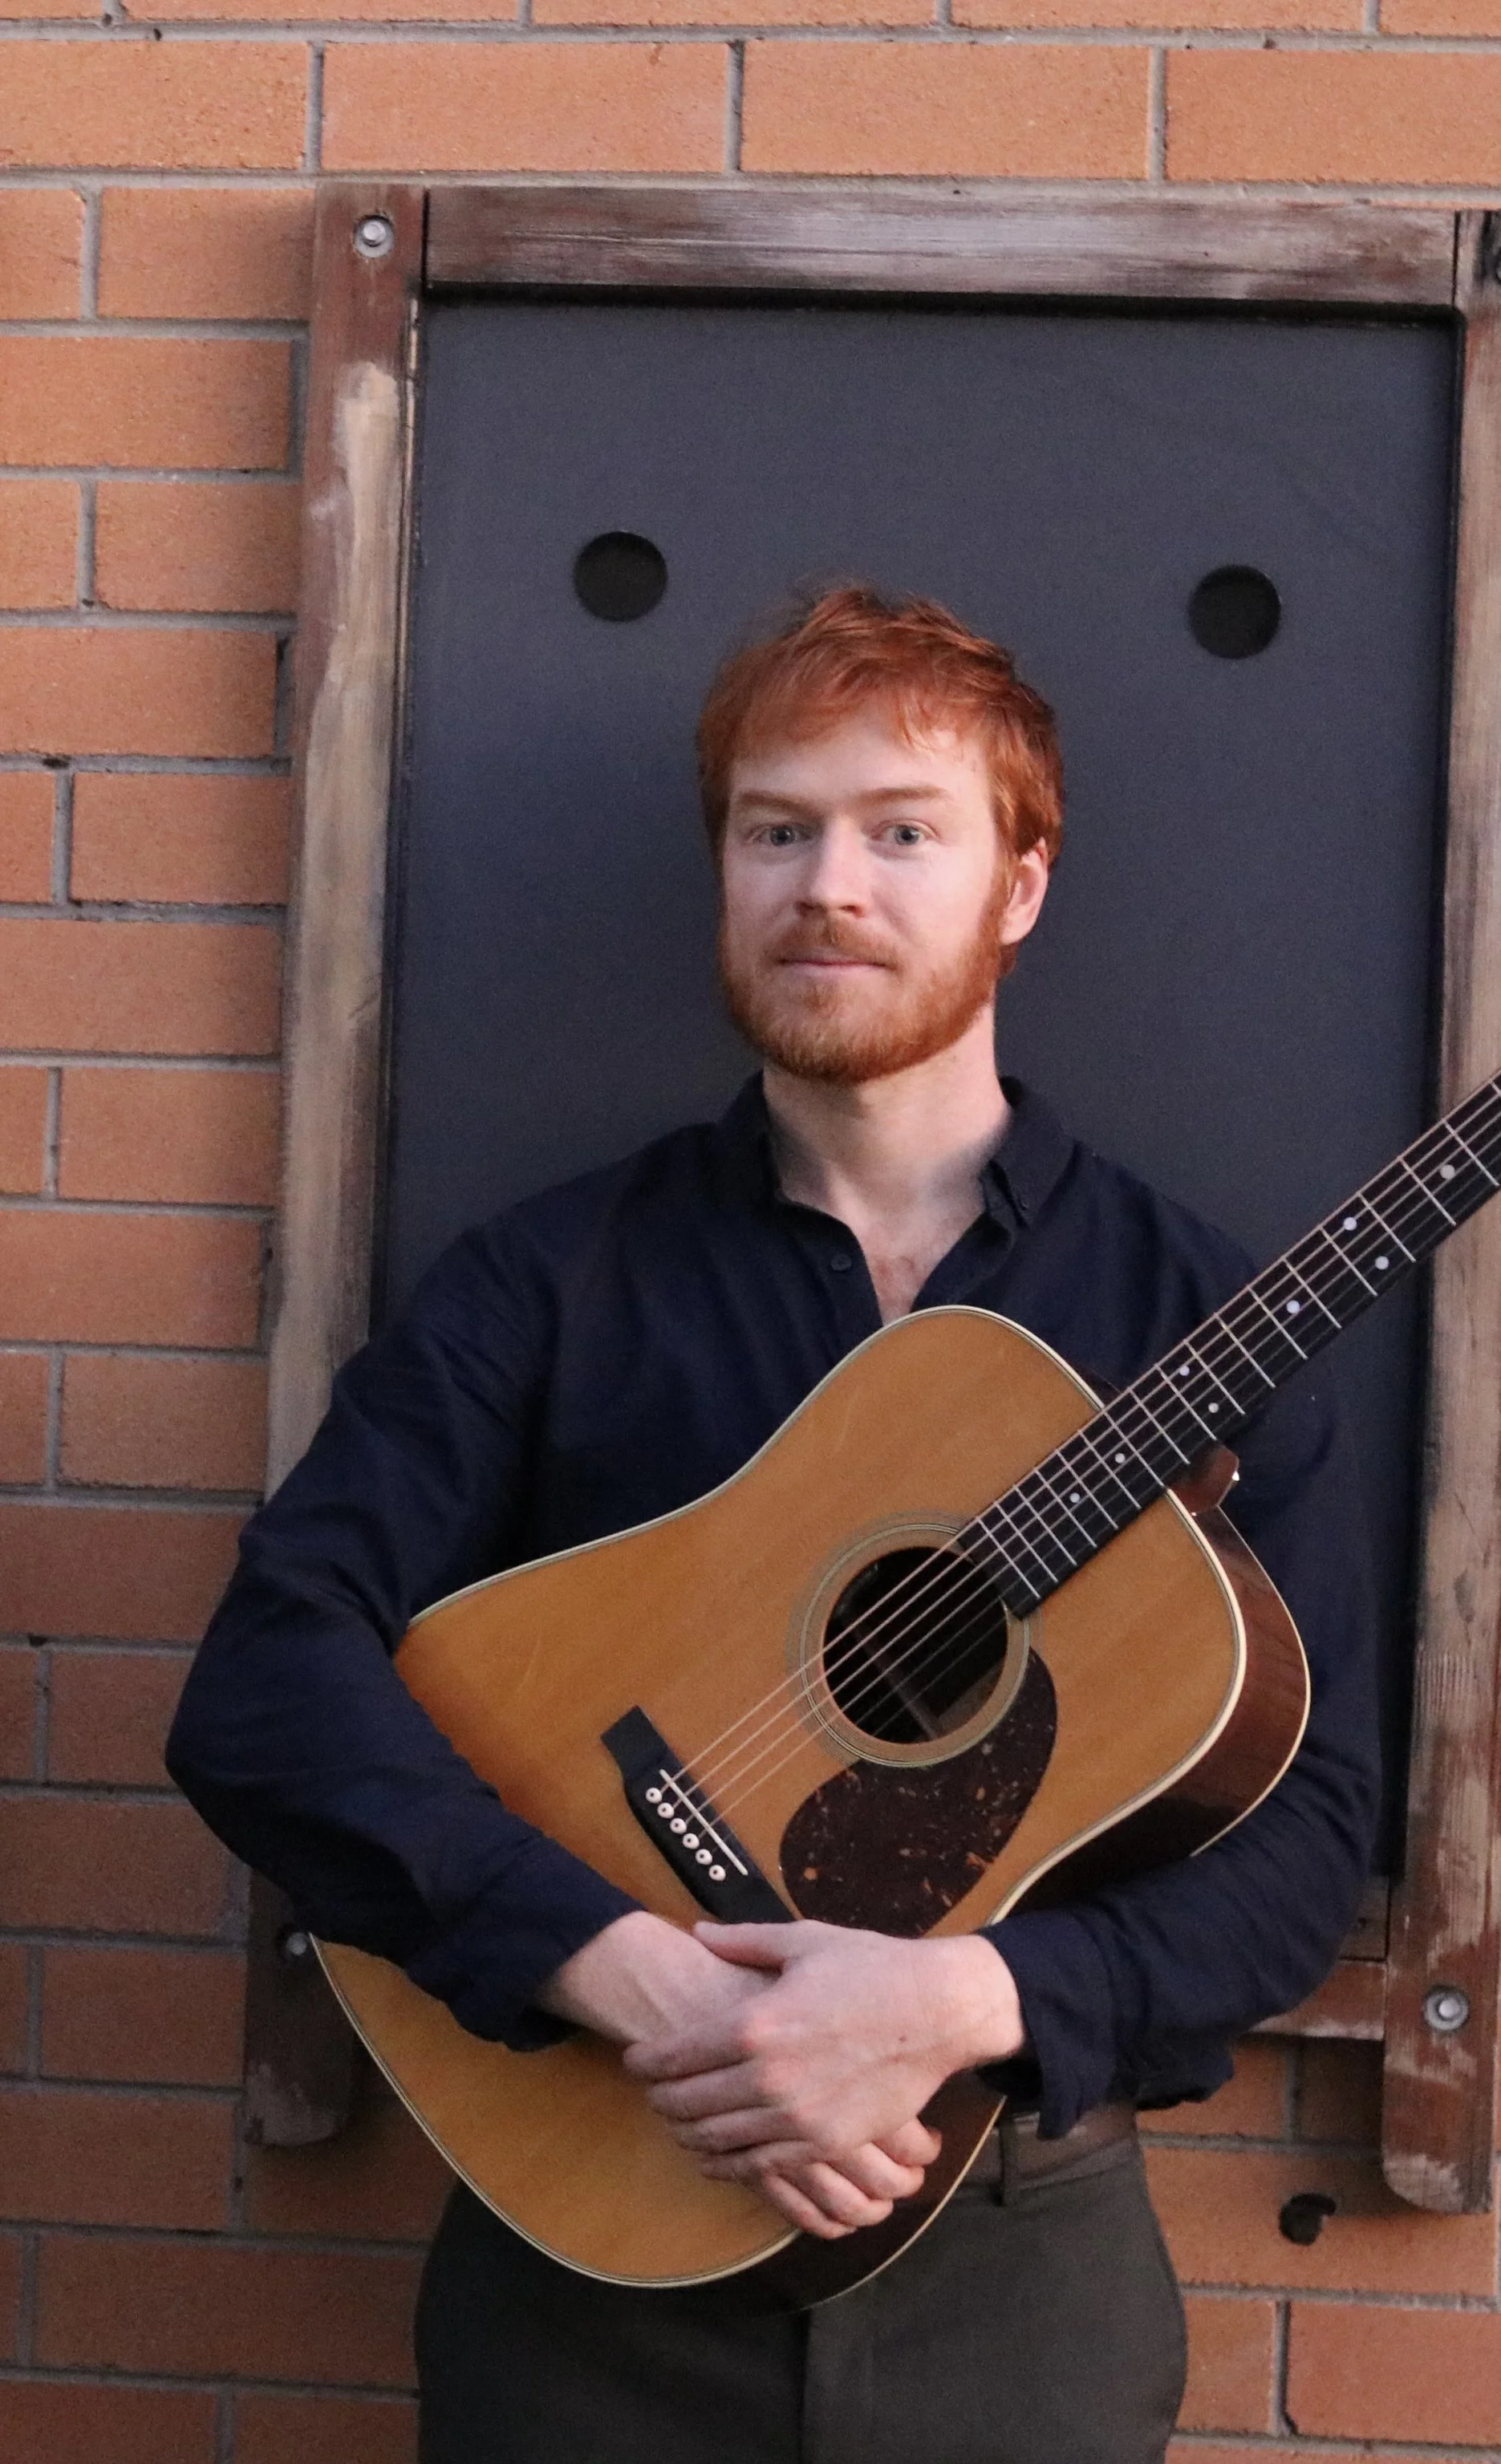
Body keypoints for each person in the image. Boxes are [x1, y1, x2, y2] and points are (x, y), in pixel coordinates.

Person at [168, 586, 1381, 2464]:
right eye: (775, 828)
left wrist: (961, 1996)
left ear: (1020, 884)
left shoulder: (1191, 1325)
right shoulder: (554, 1280)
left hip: (1015, 2268)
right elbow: (266, 1677)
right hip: (582, 2238)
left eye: (903, 829)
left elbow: (1311, 1833)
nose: (830, 883)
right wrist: (620, 1966)